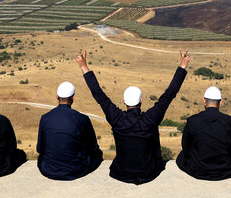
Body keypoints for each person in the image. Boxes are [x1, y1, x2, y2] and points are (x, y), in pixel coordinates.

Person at [76, 48, 191, 185]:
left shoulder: (117, 118)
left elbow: (98, 94)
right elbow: (169, 94)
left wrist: (84, 66)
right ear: (141, 101)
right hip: (149, 173)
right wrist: (183, 65)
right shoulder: (150, 119)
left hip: (121, 172)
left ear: (124, 101)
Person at [36, 81, 103, 180]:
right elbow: (92, 148)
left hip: (48, 170)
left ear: (56, 96)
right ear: (73, 98)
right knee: (98, 155)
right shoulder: (83, 118)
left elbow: (39, 149)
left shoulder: (45, 118)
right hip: (76, 170)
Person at [176, 86, 231, 180]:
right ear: (221, 102)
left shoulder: (193, 120)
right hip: (225, 170)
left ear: (204, 101)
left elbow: (185, 146)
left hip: (198, 170)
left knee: (181, 157)